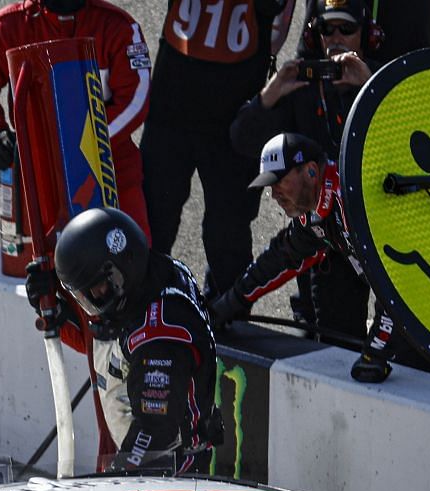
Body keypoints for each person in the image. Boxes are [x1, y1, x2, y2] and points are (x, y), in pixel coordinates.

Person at [34, 205, 224, 472]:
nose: (93, 300)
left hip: (174, 475)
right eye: (83, 295)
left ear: (122, 268)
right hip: (155, 462)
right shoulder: (156, 276)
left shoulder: (160, 338)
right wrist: (52, 309)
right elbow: (102, 342)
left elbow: (155, 431)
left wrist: (117, 478)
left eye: (97, 289)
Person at [206, 131, 404, 382]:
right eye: (269, 186)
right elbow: (281, 258)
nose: (274, 194)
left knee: (408, 366)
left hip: (429, 303)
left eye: (279, 182)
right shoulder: (316, 213)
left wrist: (377, 349)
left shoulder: (353, 199)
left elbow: (398, 279)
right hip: (407, 307)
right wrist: (229, 304)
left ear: (311, 171)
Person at [0, 0, 154, 234]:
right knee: (35, 265)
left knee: (130, 261)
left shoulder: (118, 27)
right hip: (37, 176)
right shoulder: (9, 25)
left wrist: (82, 143)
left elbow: (135, 99)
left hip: (110, 170)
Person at [140, 0, 295, 299]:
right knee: (155, 218)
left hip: (232, 117)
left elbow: (276, 28)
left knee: (228, 233)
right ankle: (148, 312)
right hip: (172, 109)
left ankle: (227, 317)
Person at [230, 0, 373, 165]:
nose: (336, 38)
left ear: (366, 35)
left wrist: (372, 87)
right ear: (314, 36)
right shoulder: (301, 85)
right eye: (326, 29)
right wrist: (270, 94)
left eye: (346, 29)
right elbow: (243, 141)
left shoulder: (381, 76)